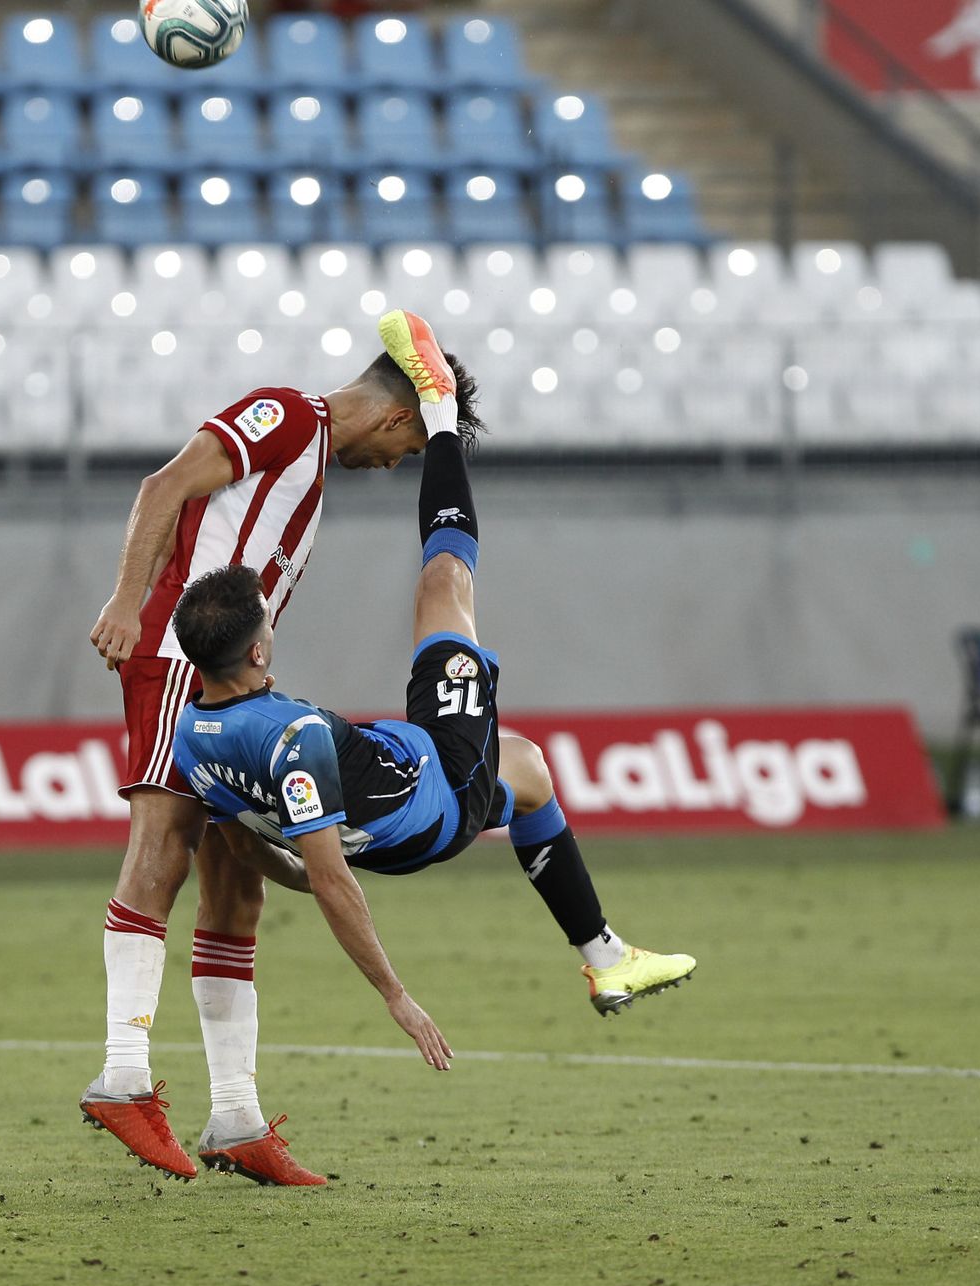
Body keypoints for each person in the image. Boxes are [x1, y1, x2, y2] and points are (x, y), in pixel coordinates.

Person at [166, 310, 696, 1138]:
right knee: (445, 580)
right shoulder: (294, 739)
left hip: (405, 784)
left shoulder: (192, 743)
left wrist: (316, 860)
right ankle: (444, 413)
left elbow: (253, 847)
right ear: (262, 653)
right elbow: (331, 878)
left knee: (524, 768)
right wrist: (396, 997)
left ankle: (604, 957)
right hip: (440, 785)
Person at [79, 347, 478, 1185]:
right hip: (182, 663)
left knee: (238, 885)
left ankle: (235, 1119)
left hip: (232, 681)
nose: (390, 466)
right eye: (402, 453)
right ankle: (122, 1074)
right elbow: (165, 488)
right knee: (162, 847)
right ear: (397, 416)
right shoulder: (289, 416)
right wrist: (124, 600)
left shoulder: (314, 467)